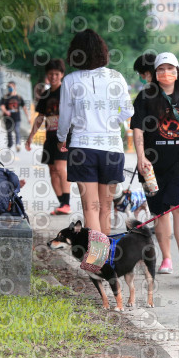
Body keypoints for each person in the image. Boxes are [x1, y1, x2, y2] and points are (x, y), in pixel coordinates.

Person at [57, 29, 134, 236]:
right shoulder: (116, 77)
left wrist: (61, 139)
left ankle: (95, 254)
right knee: (105, 209)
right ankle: (105, 254)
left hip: (82, 148)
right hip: (112, 149)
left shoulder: (70, 80)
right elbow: (128, 111)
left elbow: (64, 117)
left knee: (90, 209)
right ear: (102, 51)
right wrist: (112, 122)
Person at [131, 52, 179, 275]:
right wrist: (140, 156)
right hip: (151, 166)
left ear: (177, 71)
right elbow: (137, 129)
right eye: (161, 69)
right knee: (159, 212)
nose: (165, 73)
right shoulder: (145, 97)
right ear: (155, 73)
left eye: (170, 68)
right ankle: (166, 259)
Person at [26, 59, 72, 215]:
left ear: (62, 75)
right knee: (52, 170)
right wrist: (31, 136)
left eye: (57, 74)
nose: (53, 77)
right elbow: (40, 117)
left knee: (59, 167)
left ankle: (67, 203)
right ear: (47, 75)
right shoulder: (45, 95)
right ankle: (62, 203)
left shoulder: (66, 92)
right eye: (51, 74)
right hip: (50, 137)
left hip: (64, 137)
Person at [0, 81, 30, 152]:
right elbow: (2, 106)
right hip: (8, 118)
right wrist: (5, 111)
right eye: (8, 87)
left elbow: (24, 108)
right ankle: (10, 145)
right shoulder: (5, 97)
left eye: (10, 87)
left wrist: (28, 118)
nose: (9, 88)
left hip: (16, 117)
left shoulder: (19, 97)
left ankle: (17, 144)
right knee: (9, 132)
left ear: (14, 87)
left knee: (17, 130)